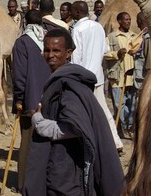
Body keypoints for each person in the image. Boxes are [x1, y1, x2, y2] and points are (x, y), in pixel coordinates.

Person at [23, 28, 125, 196]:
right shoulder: (61, 79)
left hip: (67, 169)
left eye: (56, 50)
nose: (50, 55)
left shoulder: (68, 85)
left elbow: (76, 127)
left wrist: (40, 123)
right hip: (62, 166)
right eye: (47, 50)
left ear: (68, 53)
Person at [70, 1, 124, 152]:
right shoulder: (98, 26)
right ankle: (116, 141)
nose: (71, 13)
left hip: (83, 76)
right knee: (103, 110)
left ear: (78, 12)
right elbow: (104, 49)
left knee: (83, 111)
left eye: (73, 11)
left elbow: (76, 56)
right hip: (97, 76)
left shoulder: (77, 29)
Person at [11, 10, 51, 190]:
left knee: (27, 143)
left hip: (30, 101)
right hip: (49, 100)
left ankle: (24, 184)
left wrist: (19, 98)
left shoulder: (22, 43)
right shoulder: (50, 41)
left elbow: (19, 74)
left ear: (25, 22)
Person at [104, 12, 140, 139]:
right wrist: (117, 54)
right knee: (119, 105)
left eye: (129, 19)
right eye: (126, 19)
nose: (128, 22)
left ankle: (129, 126)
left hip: (131, 77)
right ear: (119, 21)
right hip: (118, 77)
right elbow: (105, 54)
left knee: (131, 104)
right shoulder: (112, 37)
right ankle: (122, 127)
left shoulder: (134, 36)